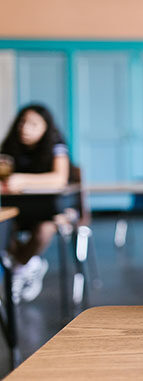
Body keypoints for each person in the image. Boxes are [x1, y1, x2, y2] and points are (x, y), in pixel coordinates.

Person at [1, 104, 71, 303]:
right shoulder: (10, 145)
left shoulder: (56, 144)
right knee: (3, 227)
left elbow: (60, 178)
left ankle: (17, 268)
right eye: (23, 122)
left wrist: (22, 180)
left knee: (45, 230)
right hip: (18, 209)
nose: (25, 128)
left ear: (45, 127)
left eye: (33, 124)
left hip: (48, 211)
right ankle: (28, 265)